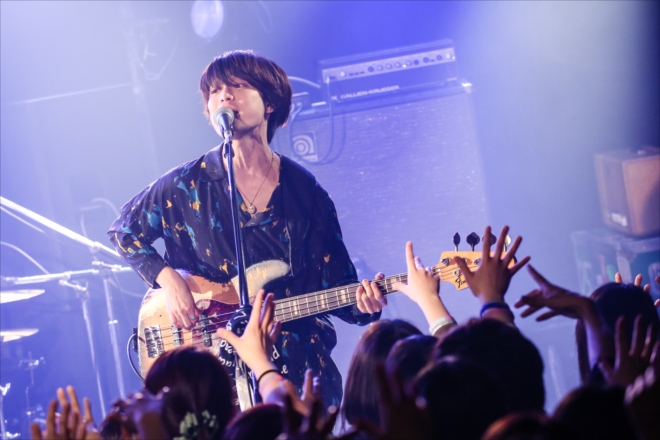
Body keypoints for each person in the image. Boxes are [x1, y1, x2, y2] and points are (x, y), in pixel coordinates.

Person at [108, 50, 386, 409]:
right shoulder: (184, 185)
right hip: (214, 381)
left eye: (237, 86)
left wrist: (366, 303)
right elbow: (124, 231)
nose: (224, 96)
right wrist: (169, 281)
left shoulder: (305, 192)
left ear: (269, 103)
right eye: (214, 91)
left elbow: (338, 286)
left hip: (296, 371)